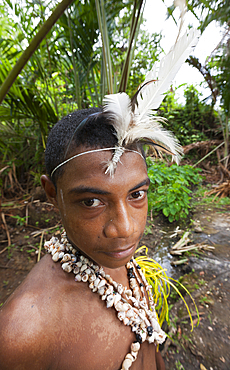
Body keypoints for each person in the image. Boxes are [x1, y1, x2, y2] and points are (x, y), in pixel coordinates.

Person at [0, 106, 173, 370]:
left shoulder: (121, 263)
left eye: (136, 195)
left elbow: (148, 341)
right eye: (91, 202)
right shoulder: (24, 333)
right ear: (52, 193)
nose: (125, 230)